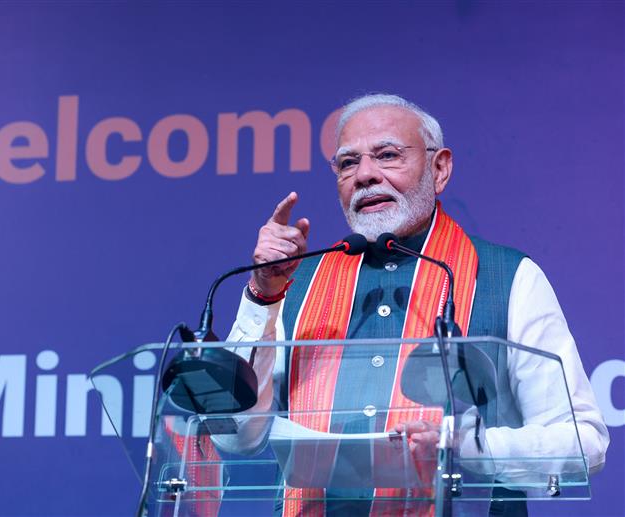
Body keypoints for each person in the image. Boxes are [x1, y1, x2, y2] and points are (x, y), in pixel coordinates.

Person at [226, 94, 609, 516]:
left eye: (387, 155)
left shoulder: (507, 277)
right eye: (348, 163)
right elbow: (235, 434)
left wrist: (465, 448)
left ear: (439, 169)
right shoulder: (296, 284)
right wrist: (263, 295)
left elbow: (583, 442)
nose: (365, 175)